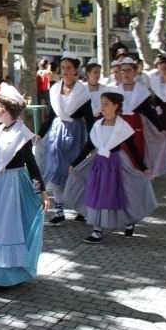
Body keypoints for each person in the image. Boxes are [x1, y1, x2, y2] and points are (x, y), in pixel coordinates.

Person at [0, 84, 50, 290]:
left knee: (9, 228)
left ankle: (9, 274)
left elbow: (31, 163)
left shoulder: (21, 134)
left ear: (4, 109)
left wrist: (41, 190)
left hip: (13, 186)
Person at [61, 91, 159, 243]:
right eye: (102, 104)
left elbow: (133, 149)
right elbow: (89, 146)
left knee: (122, 194)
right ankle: (97, 230)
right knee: (97, 194)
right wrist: (75, 163)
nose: (103, 107)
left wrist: (143, 167)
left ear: (116, 106)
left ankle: (129, 220)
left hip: (117, 164)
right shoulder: (97, 126)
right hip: (99, 164)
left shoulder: (123, 127)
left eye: (106, 104)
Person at [36, 55, 96, 226]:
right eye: (63, 68)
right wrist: (40, 134)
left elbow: (90, 120)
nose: (66, 71)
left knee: (73, 172)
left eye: (69, 67)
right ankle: (59, 211)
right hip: (56, 132)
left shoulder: (83, 92)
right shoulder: (55, 89)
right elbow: (50, 115)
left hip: (75, 134)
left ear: (76, 70)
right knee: (55, 171)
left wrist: (92, 142)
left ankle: (81, 208)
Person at [111, 55, 166, 179]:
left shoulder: (142, 91)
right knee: (121, 151)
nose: (125, 73)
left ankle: (138, 175)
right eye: (123, 70)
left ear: (134, 72)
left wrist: (161, 129)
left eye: (128, 70)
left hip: (136, 126)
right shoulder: (115, 91)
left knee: (137, 150)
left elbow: (150, 112)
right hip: (119, 126)